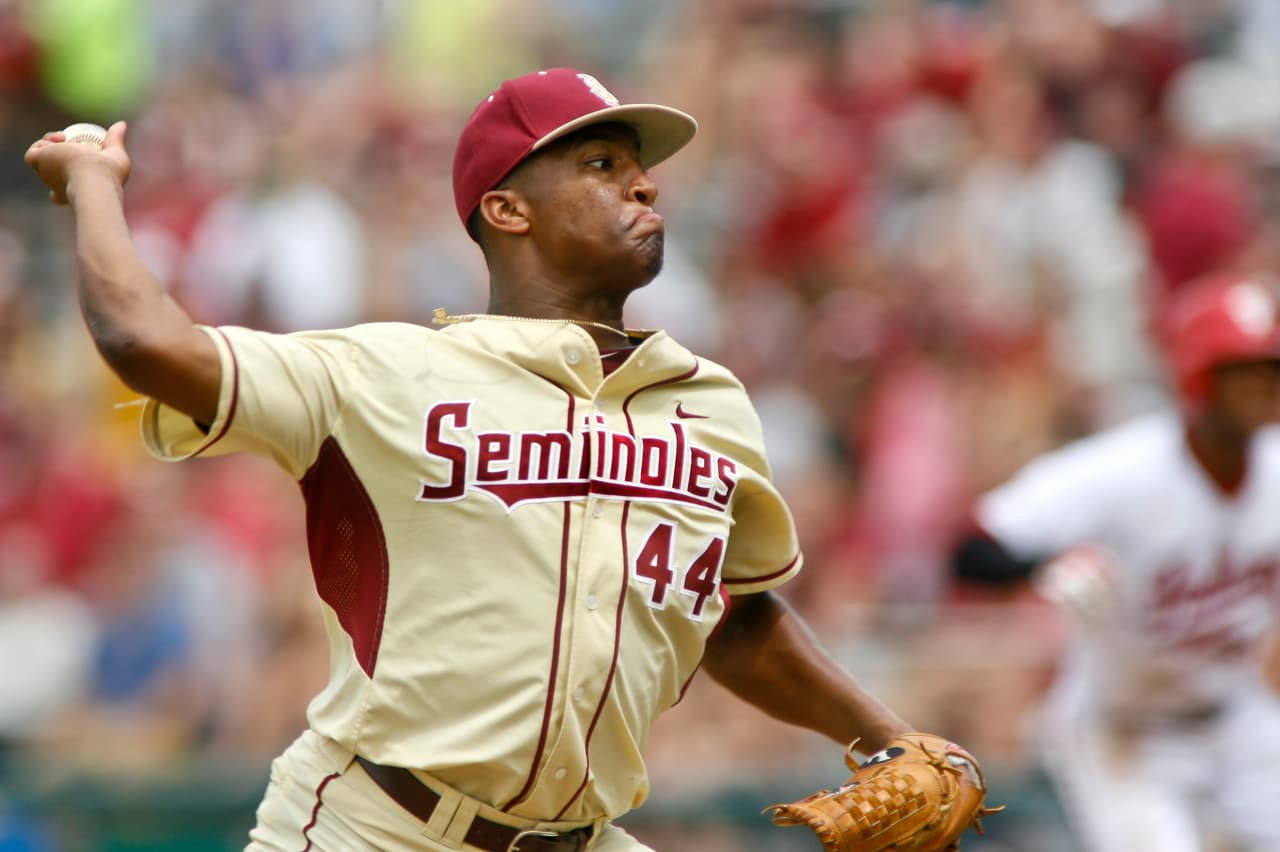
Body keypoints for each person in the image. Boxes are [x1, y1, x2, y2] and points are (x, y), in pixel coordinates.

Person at [24, 67, 970, 852]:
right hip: (377, 828)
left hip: (586, 834)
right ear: (508, 209)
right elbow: (148, 342)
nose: (642, 186)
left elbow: (729, 612)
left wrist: (887, 737)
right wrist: (95, 184)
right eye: (602, 164)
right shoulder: (387, 371)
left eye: (641, 170)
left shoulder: (708, 403)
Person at [953, 270, 1280, 852]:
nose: (1264, 387)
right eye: (1245, 371)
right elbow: (972, 548)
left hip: (1237, 718)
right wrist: (1045, 566)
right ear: (1200, 376)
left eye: (1270, 369)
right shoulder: (1124, 471)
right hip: (1123, 732)